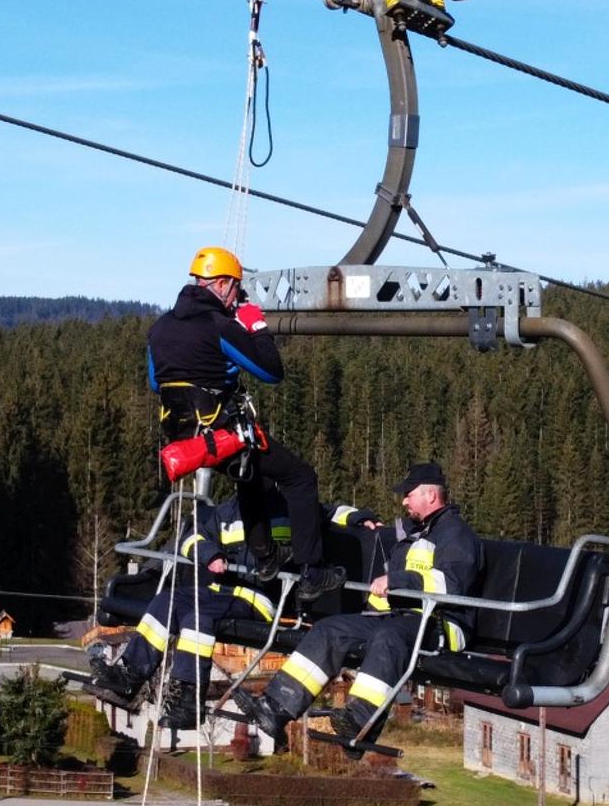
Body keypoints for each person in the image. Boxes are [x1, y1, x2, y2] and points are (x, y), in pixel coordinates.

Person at [232, 462, 480, 751]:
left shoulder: (455, 535)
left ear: (431, 496)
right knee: (330, 629)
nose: (403, 501)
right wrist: (361, 522)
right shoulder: (415, 532)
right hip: (400, 618)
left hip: (442, 624)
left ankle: (361, 722)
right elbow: (325, 513)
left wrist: (397, 580)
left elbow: (452, 585)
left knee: (388, 638)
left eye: (408, 494)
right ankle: (276, 707)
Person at [85, 492, 381, 730]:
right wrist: (208, 554)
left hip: (258, 599)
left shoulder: (286, 507)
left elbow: (328, 513)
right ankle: (130, 674)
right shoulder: (226, 512)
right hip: (219, 591)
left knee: (197, 618)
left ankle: (189, 699)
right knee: (167, 601)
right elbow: (192, 538)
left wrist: (360, 517)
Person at [145, 246, 344, 599]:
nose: (236, 296)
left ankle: (265, 556)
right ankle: (313, 569)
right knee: (300, 477)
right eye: (235, 288)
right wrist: (255, 327)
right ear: (221, 285)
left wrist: (214, 369)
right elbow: (271, 371)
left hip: (181, 435)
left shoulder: (159, 329)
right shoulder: (218, 325)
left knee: (251, 475)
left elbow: (156, 381)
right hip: (219, 431)